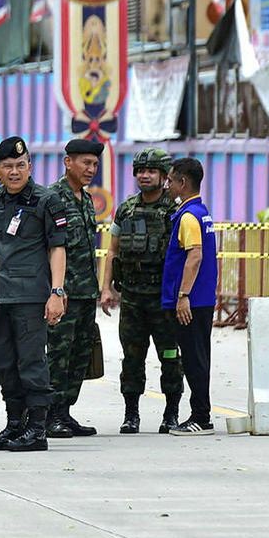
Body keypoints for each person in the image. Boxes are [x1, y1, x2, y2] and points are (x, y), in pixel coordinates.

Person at [0, 136, 68, 453]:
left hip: (30, 297)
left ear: (30, 166)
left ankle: (37, 429)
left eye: (21, 165)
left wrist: (56, 291)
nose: (14, 172)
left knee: (32, 363)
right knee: (3, 364)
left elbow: (57, 248)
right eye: (8, 166)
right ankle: (14, 425)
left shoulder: (47, 202)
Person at [99, 149, 183, 433]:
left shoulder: (175, 210)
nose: (144, 175)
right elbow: (113, 251)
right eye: (140, 170)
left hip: (164, 299)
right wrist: (106, 288)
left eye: (150, 171)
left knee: (170, 356)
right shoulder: (126, 209)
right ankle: (131, 414)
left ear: (164, 176)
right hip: (133, 297)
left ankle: (171, 413)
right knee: (132, 357)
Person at [43, 138, 105, 439]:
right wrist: (53, 289)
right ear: (68, 162)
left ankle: (65, 411)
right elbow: (48, 247)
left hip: (85, 292)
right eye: (85, 162)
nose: (91, 169)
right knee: (58, 354)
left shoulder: (86, 199)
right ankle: (49, 414)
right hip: (63, 292)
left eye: (94, 164)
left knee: (80, 355)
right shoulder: (52, 197)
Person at [162, 157, 219, 437]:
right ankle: (200, 413)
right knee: (198, 356)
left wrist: (182, 296)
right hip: (202, 299)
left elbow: (194, 256)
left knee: (194, 359)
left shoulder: (188, 216)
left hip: (192, 301)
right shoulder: (201, 212)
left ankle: (201, 417)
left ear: (183, 183)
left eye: (171, 180)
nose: (167, 185)